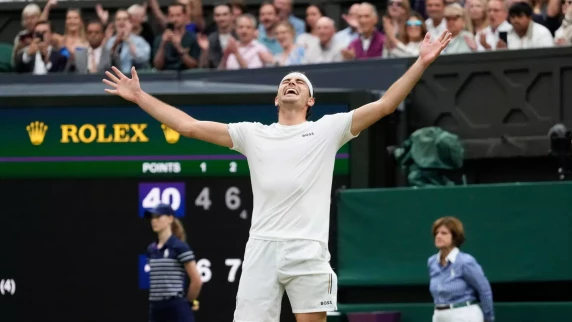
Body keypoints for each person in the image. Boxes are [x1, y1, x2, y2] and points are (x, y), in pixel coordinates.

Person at [103, 29, 452, 322]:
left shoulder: (328, 130)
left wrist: (421, 61)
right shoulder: (252, 134)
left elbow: (386, 105)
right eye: (286, 80)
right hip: (261, 250)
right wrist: (139, 97)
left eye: (299, 81)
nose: (292, 83)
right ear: (276, 98)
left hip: (308, 250)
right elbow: (188, 126)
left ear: (310, 100)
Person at [143, 203, 203, 322]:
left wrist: (188, 303)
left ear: (170, 219)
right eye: (152, 217)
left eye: (158, 216)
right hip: (155, 309)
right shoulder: (151, 249)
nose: (154, 220)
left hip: (176, 308)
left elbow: (196, 281)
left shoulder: (180, 247)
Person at [428, 216, 494, 322]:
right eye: (436, 233)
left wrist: (488, 317)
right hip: (439, 316)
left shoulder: (466, 261)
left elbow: (484, 290)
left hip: (464, 314)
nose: (438, 236)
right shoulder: (432, 262)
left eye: (444, 233)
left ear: (455, 237)